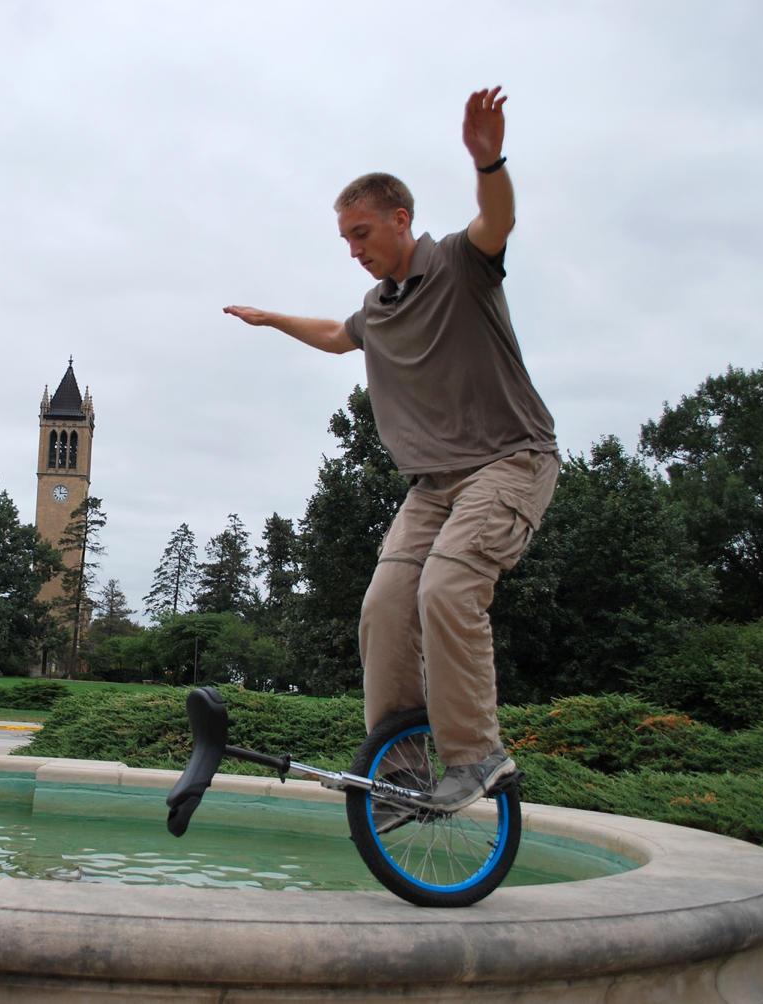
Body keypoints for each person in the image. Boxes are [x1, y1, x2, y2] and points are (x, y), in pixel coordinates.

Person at [224, 87, 558, 813]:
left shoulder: (458, 264)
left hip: (510, 460)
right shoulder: (378, 310)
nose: (354, 250)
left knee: (446, 589)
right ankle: (400, 769)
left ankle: (477, 756)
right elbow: (335, 334)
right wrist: (271, 318)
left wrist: (488, 160)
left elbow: (498, 220)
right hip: (433, 487)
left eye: (361, 232)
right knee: (382, 609)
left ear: (400, 219)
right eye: (344, 239)